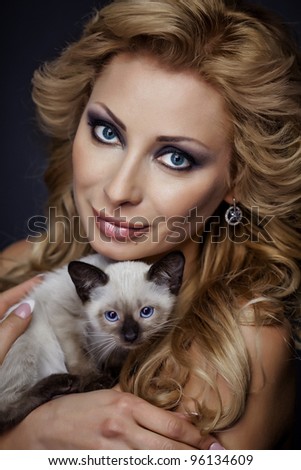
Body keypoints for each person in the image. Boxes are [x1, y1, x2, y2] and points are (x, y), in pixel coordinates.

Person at [0, 0, 300, 449]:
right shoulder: (20, 264)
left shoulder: (243, 347)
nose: (119, 190)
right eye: (107, 133)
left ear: (238, 178)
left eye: (175, 157)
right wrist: (24, 441)